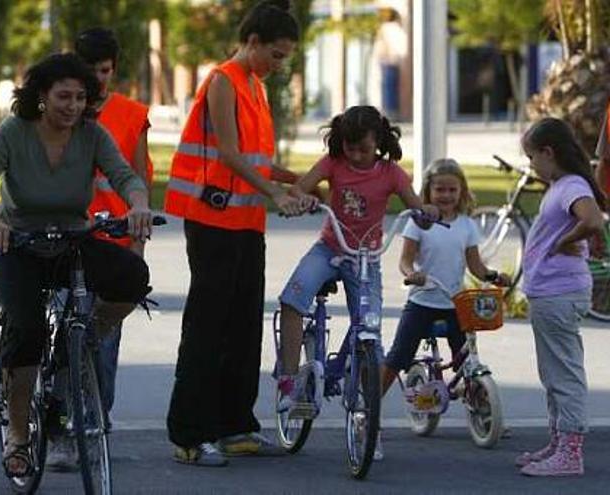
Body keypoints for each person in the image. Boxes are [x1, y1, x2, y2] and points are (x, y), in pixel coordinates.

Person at [0, 52, 153, 480]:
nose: (73, 106)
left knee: (132, 277)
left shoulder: (91, 134)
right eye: (63, 96)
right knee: (25, 329)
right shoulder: (13, 133)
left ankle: (85, 342)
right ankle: (17, 435)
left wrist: (138, 206)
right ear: (41, 98)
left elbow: (126, 177)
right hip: (19, 244)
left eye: (81, 98)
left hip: (73, 240)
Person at [164, 0, 311, 467]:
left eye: (285, 57)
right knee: (207, 325)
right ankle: (191, 434)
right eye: (277, 55)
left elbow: (257, 158)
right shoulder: (224, 80)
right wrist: (276, 192)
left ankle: (235, 425)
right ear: (252, 43)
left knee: (244, 323)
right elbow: (228, 153)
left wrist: (303, 182)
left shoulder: (255, 86)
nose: (279, 65)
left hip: (245, 224)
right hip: (212, 222)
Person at [275, 105, 440, 454]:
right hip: (329, 248)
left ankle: (369, 423)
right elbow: (300, 188)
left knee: (371, 335)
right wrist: (303, 197)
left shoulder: (392, 174)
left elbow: (416, 208)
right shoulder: (333, 163)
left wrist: (427, 213)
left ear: (378, 142)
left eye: (364, 148)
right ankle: (289, 383)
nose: (356, 155)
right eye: (350, 148)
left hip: (366, 259)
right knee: (292, 300)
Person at [379, 159, 510, 457]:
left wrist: (492, 276)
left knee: (465, 358)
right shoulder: (419, 221)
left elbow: (475, 265)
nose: (446, 195)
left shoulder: (466, 224)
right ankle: (370, 407)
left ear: (461, 190)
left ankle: (484, 408)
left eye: (452, 189)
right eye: (440, 189)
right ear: (429, 190)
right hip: (422, 300)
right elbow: (405, 260)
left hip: (454, 302)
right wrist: (411, 273)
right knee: (398, 356)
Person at [514, 117, 605, 477]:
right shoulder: (562, 186)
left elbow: (593, 220)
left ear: (549, 152)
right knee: (552, 372)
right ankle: (558, 441)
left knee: (564, 373)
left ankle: (570, 452)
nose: (531, 165)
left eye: (532, 157)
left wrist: (564, 242)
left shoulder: (570, 186)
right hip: (550, 294)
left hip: (560, 293)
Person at [74, 26, 153, 432]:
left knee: (104, 342)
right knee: (70, 331)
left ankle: (96, 418)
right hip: (71, 239)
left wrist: (137, 245)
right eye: (91, 69)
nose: (98, 78)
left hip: (117, 240)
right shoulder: (64, 111)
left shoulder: (132, 115)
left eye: (105, 70)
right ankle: (72, 417)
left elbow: (139, 179)